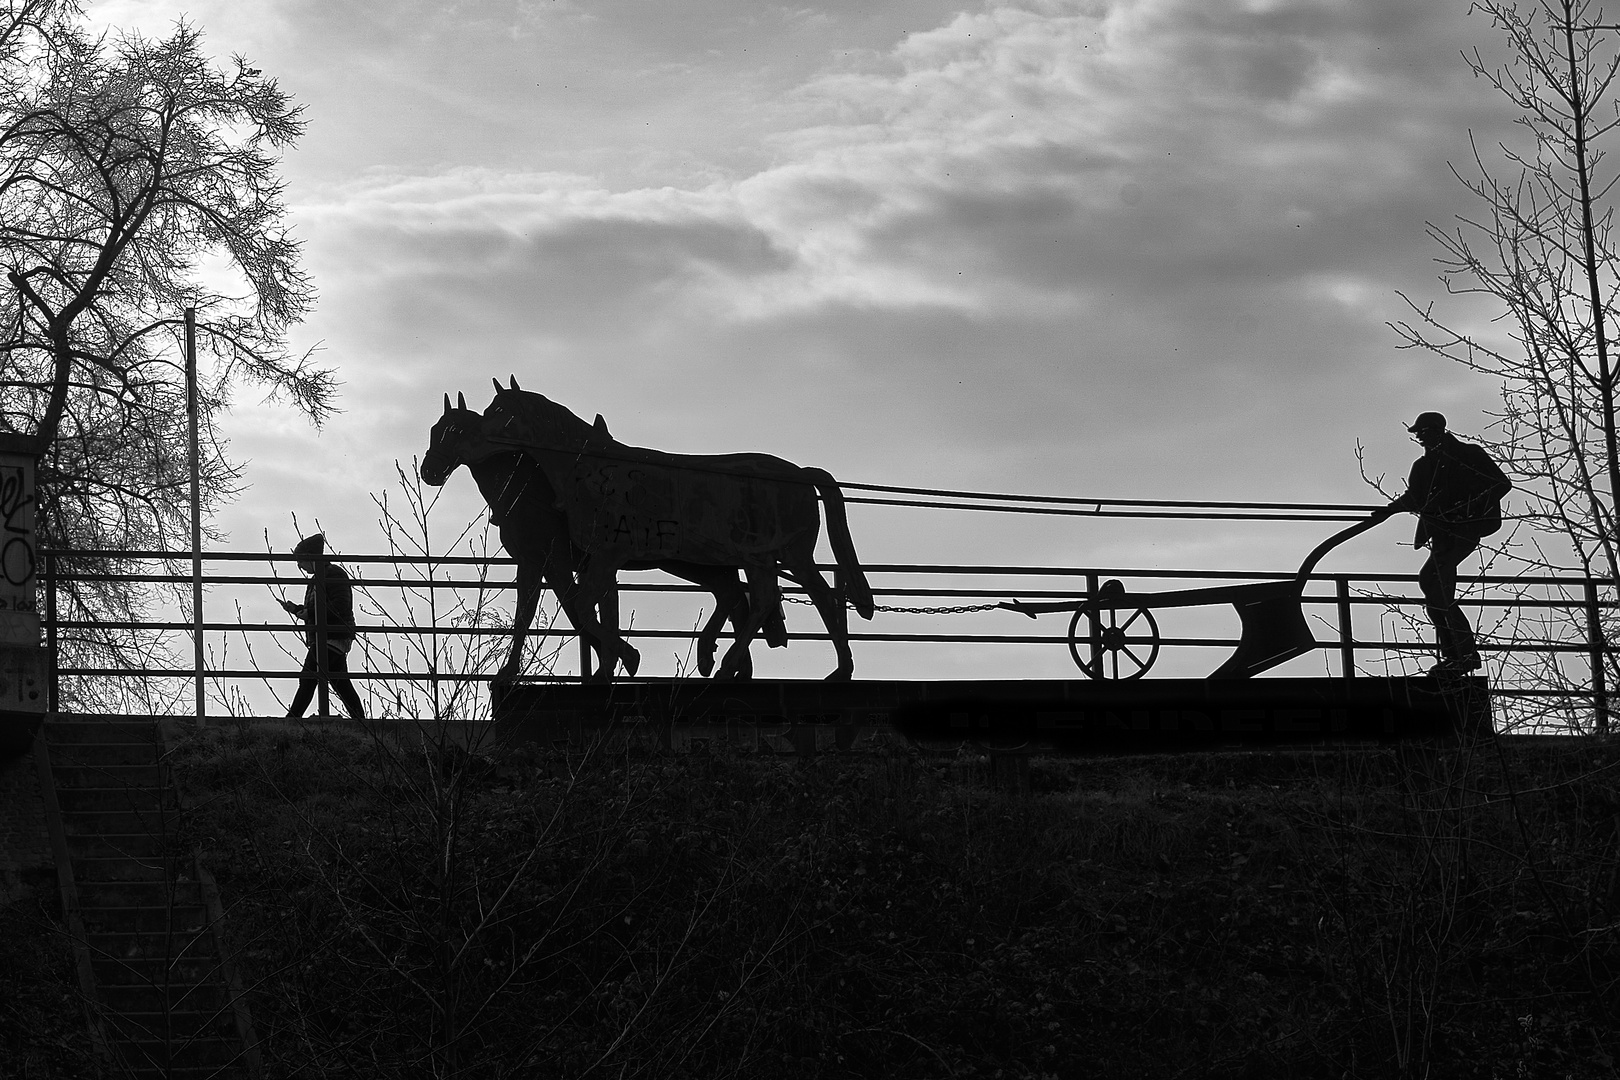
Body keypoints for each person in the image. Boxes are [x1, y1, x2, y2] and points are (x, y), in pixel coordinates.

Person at [1371, 412, 1511, 675]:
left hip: (1465, 528)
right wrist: (1388, 510)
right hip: (1441, 532)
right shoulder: (1423, 466)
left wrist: (1470, 508)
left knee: (1435, 586)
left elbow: (1500, 484)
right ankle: (1458, 654)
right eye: (1419, 435)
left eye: (1425, 433)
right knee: (1433, 587)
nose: (1422, 439)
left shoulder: (1468, 454)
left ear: (1438, 431)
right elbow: (1414, 497)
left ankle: (1463, 655)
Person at [281, 533, 366, 719]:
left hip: (332, 636)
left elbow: (339, 606)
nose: (299, 566)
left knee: (309, 677)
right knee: (340, 683)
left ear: (310, 557)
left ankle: (292, 720)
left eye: (301, 560)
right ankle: (361, 722)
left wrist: (309, 613)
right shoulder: (320, 577)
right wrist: (298, 610)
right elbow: (321, 607)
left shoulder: (332, 574)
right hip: (332, 636)